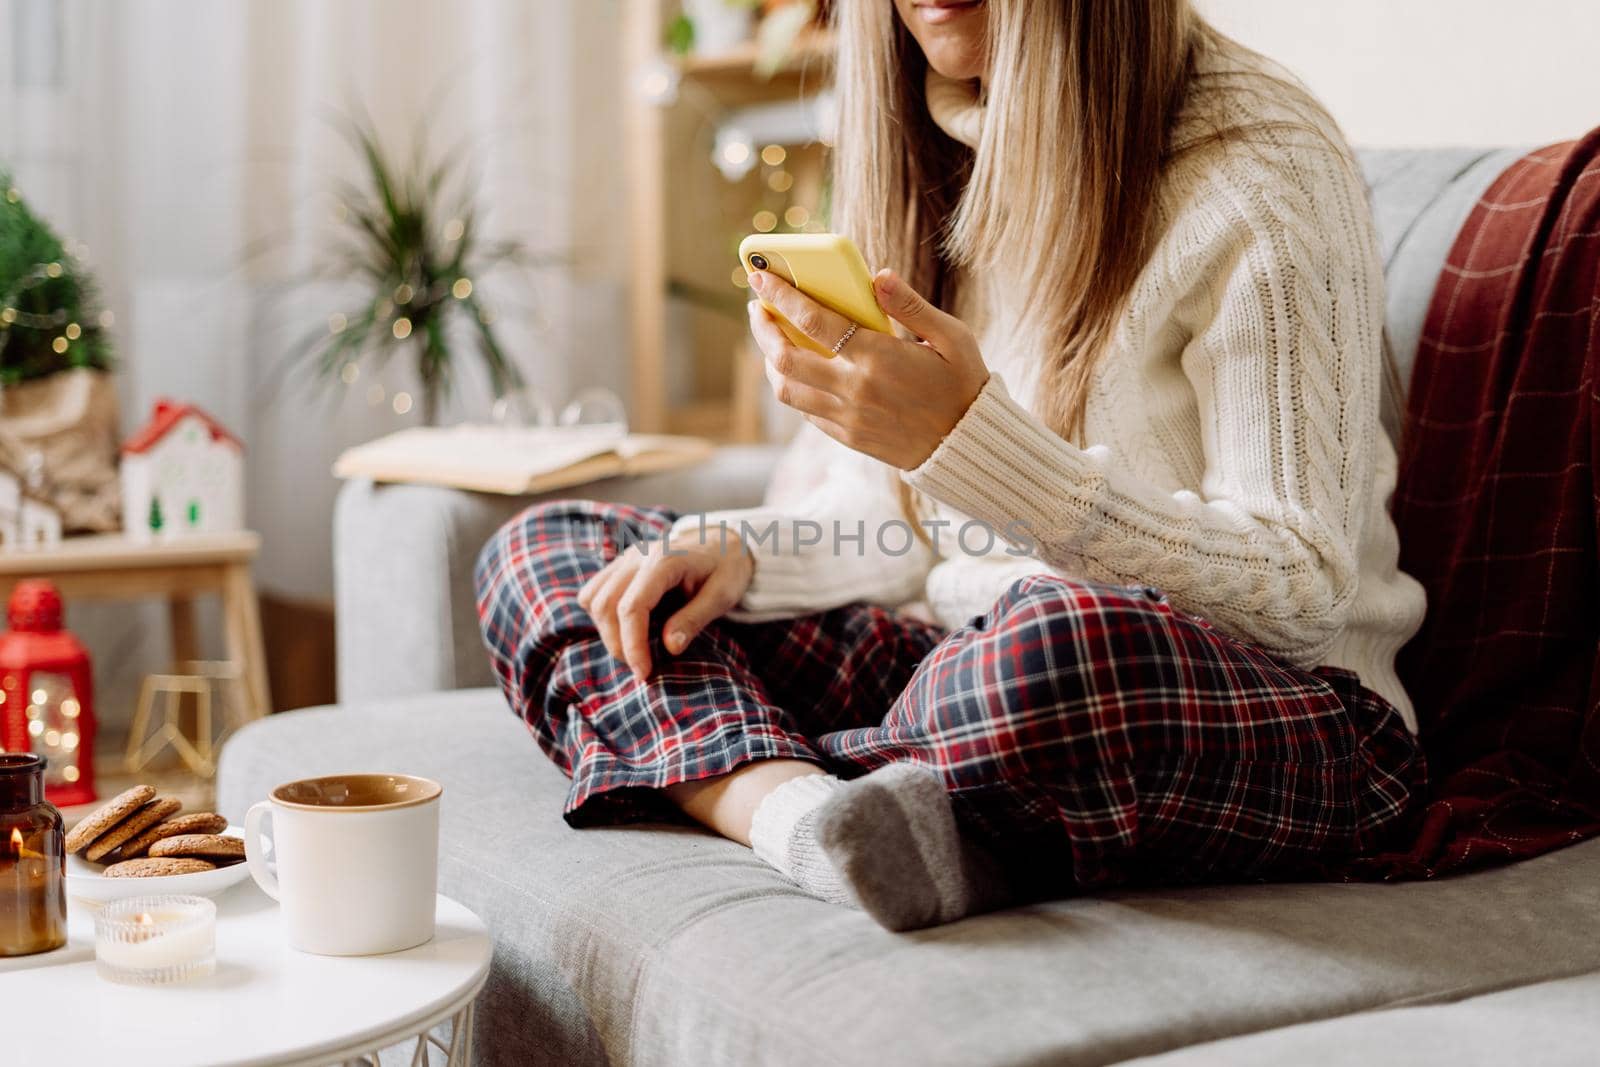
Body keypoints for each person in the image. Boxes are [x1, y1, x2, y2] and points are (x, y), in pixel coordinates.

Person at [475, 0, 1428, 931]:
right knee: (557, 554)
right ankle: (804, 812)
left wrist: (973, 443)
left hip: (1277, 706)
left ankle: (775, 766)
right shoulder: (922, 142)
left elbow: (1301, 594)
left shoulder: (1258, 161)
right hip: (957, 660)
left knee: (1050, 641)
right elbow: (902, 535)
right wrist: (745, 554)